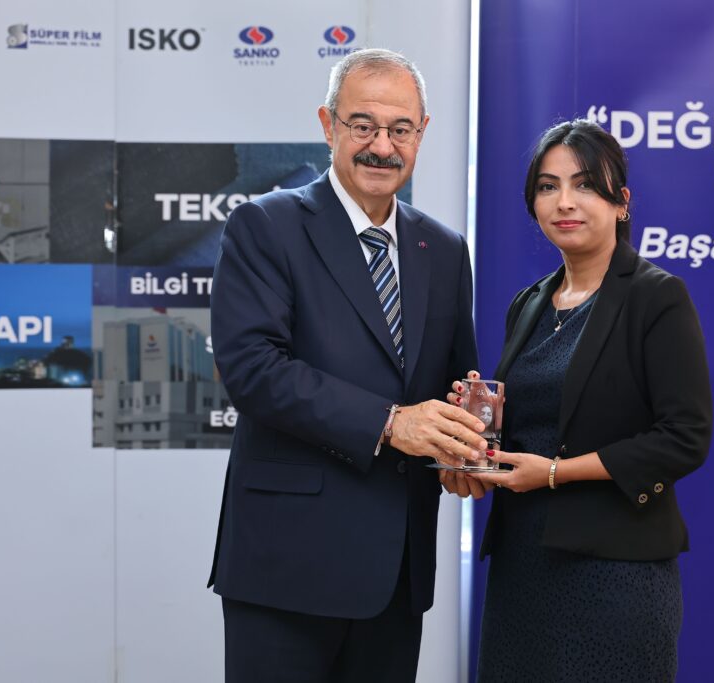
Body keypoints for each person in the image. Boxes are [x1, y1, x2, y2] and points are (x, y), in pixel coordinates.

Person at [208, 48, 487, 683]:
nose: (382, 147)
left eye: (400, 128)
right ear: (327, 125)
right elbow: (252, 369)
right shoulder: (265, 226)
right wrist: (391, 423)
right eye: (363, 125)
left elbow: (453, 382)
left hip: (396, 571)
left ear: (422, 133)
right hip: (287, 566)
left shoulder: (444, 250)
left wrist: (463, 447)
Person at [446, 119, 712, 681]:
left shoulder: (657, 297)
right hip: (523, 570)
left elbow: (684, 438)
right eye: (548, 186)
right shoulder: (529, 304)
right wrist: (471, 450)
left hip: (616, 574)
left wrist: (554, 473)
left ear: (622, 202)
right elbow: (529, 431)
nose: (564, 201)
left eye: (585, 184)